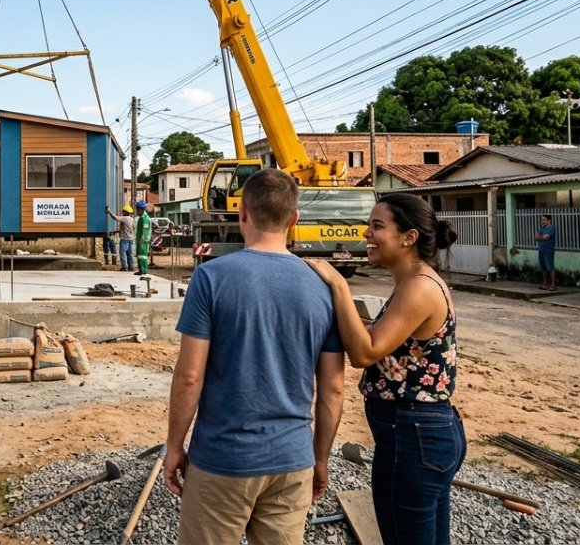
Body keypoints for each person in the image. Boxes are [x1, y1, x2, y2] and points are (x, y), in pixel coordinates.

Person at [164, 169, 345, 545]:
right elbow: (333, 389)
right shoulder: (324, 288)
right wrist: (320, 458)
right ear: (294, 220)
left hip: (223, 459)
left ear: (242, 213)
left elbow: (189, 376)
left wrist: (175, 446)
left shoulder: (211, 278)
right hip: (292, 461)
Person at [306, 193, 465, 545]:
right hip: (424, 431)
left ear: (409, 238)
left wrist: (338, 284)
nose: (367, 234)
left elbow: (365, 352)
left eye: (377, 226)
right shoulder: (415, 282)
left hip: (414, 434)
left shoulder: (420, 287)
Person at [105, 205, 135, 271]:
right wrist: (117, 231)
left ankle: (124, 267)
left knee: (122, 253)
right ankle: (131, 267)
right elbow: (131, 228)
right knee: (130, 254)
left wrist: (109, 212)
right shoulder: (132, 219)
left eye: (123, 211)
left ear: (126, 212)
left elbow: (115, 218)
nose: (122, 212)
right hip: (131, 239)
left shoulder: (124, 218)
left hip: (124, 239)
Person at [535, 214, 557, 290]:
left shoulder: (552, 228)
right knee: (543, 268)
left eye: (544, 220)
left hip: (548, 250)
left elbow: (545, 238)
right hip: (541, 250)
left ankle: (553, 285)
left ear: (549, 220)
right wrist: (541, 237)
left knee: (550, 267)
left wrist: (540, 237)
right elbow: (536, 237)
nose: (542, 221)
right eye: (542, 220)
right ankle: (545, 284)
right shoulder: (542, 229)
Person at [134, 200, 152, 276]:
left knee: (142, 256)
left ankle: (143, 270)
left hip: (143, 240)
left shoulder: (144, 218)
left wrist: (142, 238)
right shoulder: (142, 217)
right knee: (140, 255)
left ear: (141, 210)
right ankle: (141, 269)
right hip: (141, 239)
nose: (137, 212)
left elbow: (145, 229)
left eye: (138, 210)